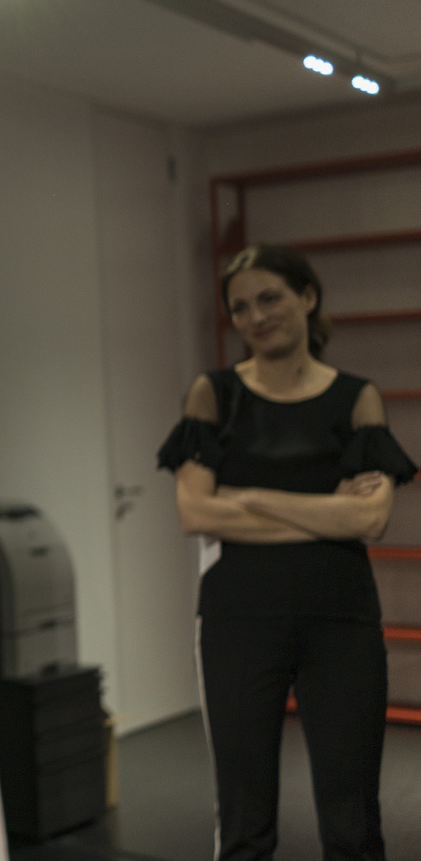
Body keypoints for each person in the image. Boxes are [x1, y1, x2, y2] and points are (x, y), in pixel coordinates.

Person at [158, 243, 415, 861]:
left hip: (341, 620)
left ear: (308, 297)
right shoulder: (214, 394)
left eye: (269, 298)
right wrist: (326, 513)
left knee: (353, 824)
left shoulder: (356, 396)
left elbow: (370, 518)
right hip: (238, 621)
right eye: (239, 307)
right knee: (244, 825)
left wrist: (249, 497)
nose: (255, 317)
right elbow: (196, 513)